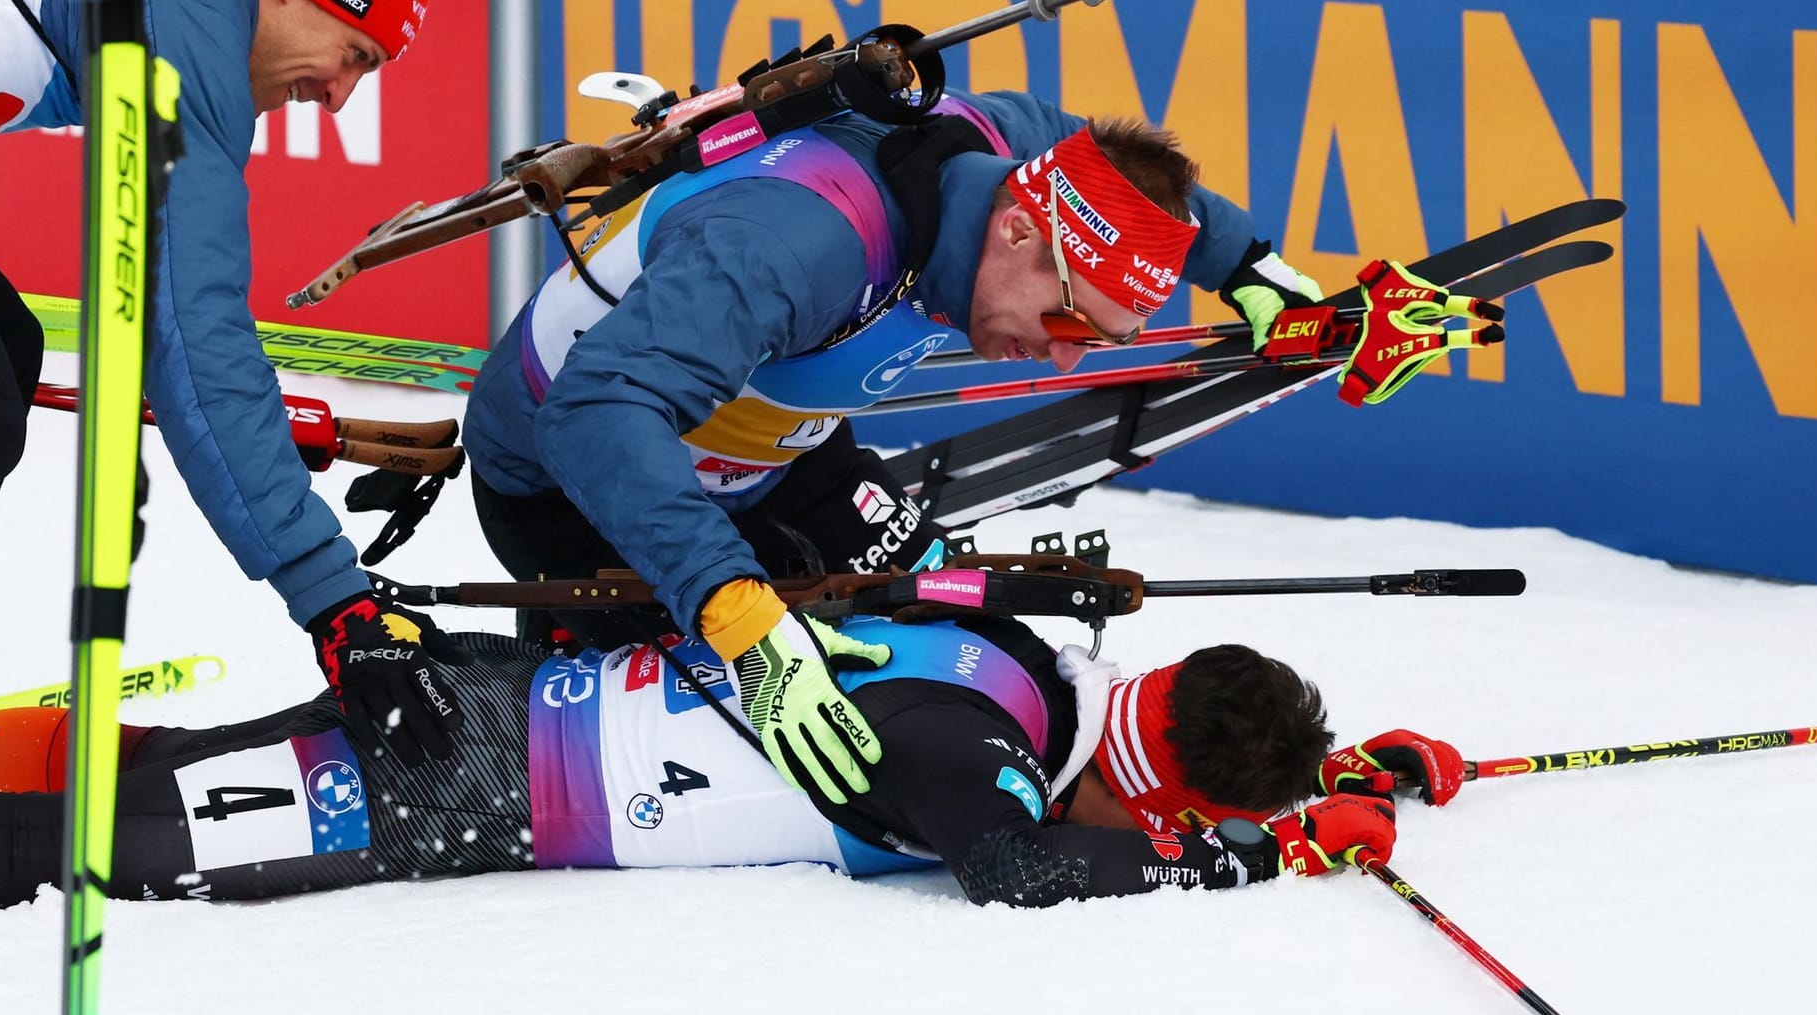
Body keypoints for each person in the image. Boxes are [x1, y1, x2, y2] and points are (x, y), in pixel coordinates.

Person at [460, 87, 1326, 805]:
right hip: (575, 490)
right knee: (822, 718)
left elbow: (1129, 176)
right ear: (1020, 230)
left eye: (1097, 340)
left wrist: (1251, 267)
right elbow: (596, 413)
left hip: (776, 447)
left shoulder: (1009, 157)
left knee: (953, 621)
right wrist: (741, 615)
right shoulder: (797, 244)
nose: (1065, 356)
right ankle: (574, 642)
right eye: (1068, 320)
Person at [0, 614, 1461, 909]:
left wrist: (1344, 784)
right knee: (29, 859)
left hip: (495, 732)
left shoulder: (1041, 672)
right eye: (1164, 815)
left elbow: (1136, 778)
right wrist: (1243, 855)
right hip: (463, 782)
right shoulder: (978, 750)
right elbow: (1017, 863)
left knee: (128, 797)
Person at [0, 0, 466, 770]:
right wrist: (336, 604)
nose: (339, 96)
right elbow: (189, 330)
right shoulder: (187, 28)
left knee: (2, 355)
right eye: (356, 54)